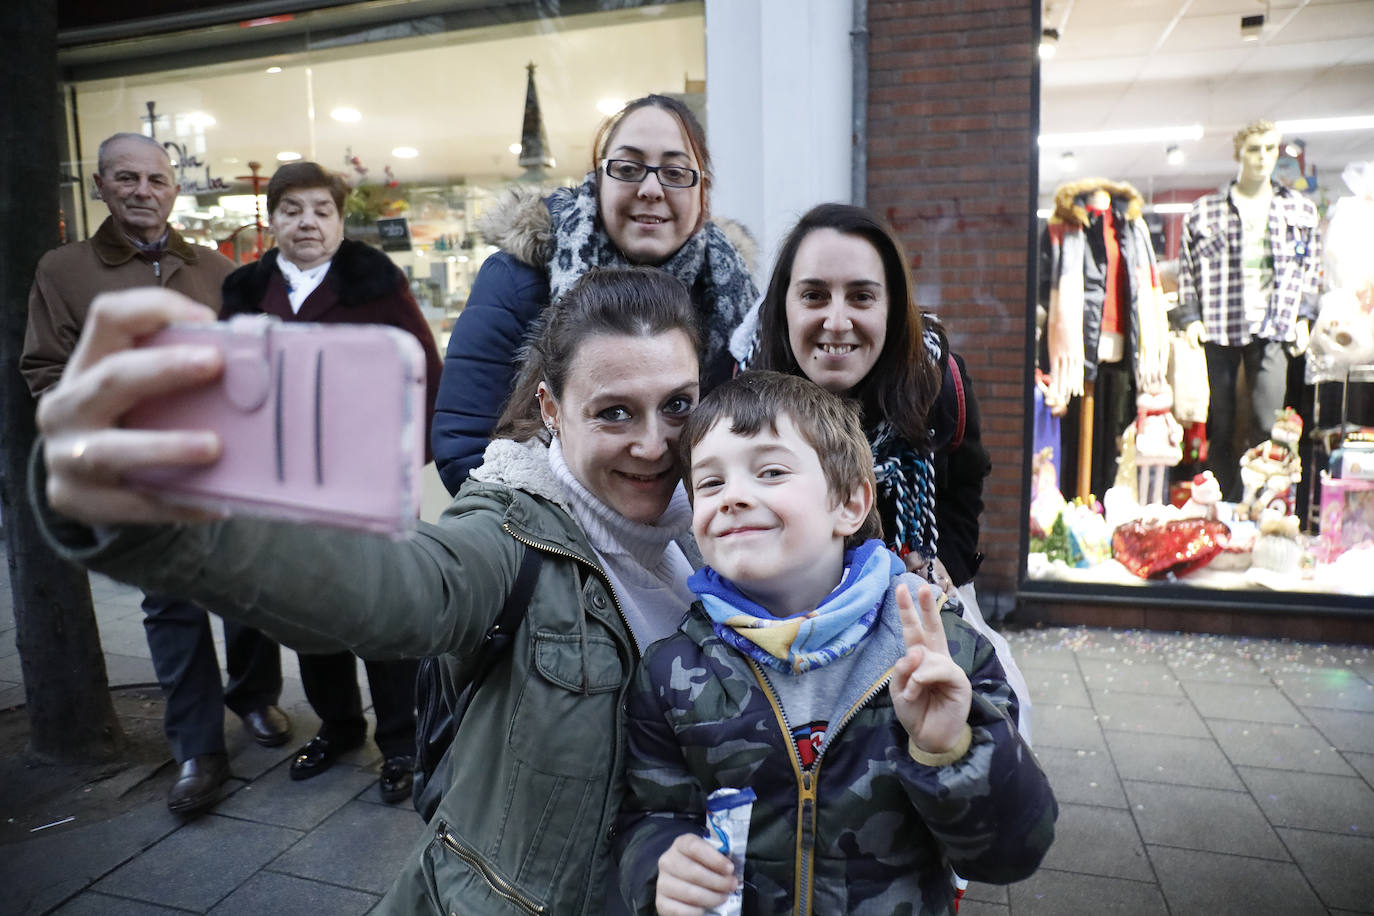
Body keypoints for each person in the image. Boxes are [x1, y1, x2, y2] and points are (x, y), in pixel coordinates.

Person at [32, 267, 705, 914]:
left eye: (677, 405)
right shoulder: (509, 534)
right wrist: (166, 519)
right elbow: (400, 587)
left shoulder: (716, 522)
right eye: (614, 413)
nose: (655, 445)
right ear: (552, 409)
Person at [615, 371, 1056, 915]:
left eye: (770, 471)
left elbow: (1012, 853)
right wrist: (661, 864)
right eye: (709, 483)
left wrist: (949, 749)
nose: (732, 498)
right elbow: (650, 815)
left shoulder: (942, 652)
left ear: (848, 503)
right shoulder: (674, 671)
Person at [22, 131, 289, 816]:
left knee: (244, 585)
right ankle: (198, 748)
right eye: (127, 179)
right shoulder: (64, 269)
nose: (143, 191)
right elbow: (46, 373)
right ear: (101, 187)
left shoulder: (215, 267)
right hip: (138, 467)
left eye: (156, 180)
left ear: (175, 188)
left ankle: (255, 698)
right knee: (170, 603)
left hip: (220, 457)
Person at [741, 203, 1031, 741]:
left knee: (998, 717)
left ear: (893, 307)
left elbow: (964, 482)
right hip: (777, 615)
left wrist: (945, 563)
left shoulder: (934, 377)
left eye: (861, 296)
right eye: (813, 295)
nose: (836, 321)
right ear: (782, 304)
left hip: (912, 597)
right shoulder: (740, 382)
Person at [219, 160, 444, 803]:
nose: (308, 223)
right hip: (281, 486)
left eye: (321, 210)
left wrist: (404, 463)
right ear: (274, 221)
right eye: (293, 210)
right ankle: (340, 726)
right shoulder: (243, 289)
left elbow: (424, 374)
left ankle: (401, 742)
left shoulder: (375, 283)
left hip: (363, 479)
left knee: (380, 613)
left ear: (341, 220)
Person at [430, 93, 757, 493]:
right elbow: (464, 446)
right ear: (598, 179)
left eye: (675, 172)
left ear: (702, 190)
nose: (652, 188)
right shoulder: (518, 276)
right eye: (628, 167)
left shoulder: (732, 292)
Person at [1175, 119, 1322, 503]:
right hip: (1221, 323)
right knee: (1220, 421)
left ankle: (1264, 503)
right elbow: (1187, 269)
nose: (1262, 158)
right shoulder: (1204, 211)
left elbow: (1311, 269)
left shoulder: (1300, 209)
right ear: (1239, 152)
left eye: (1270, 149)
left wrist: (1304, 316)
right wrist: (1190, 317)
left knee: (1267, 420)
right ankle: (1221, 505)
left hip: (1274, 323)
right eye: (1254, 149)